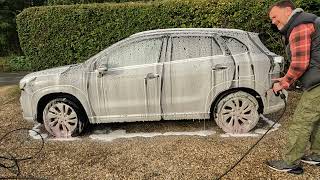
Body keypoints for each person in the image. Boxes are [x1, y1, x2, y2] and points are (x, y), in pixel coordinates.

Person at [267, 0, 320, 174]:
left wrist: (284, 83)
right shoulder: (308, 21)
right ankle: (317, 155)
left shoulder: (299, 26)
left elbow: (299, 64)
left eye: (275, 17)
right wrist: (287, 78)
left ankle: (290, 162)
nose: (273, 22)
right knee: (317, 119)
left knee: (301, 121)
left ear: (288, 10)